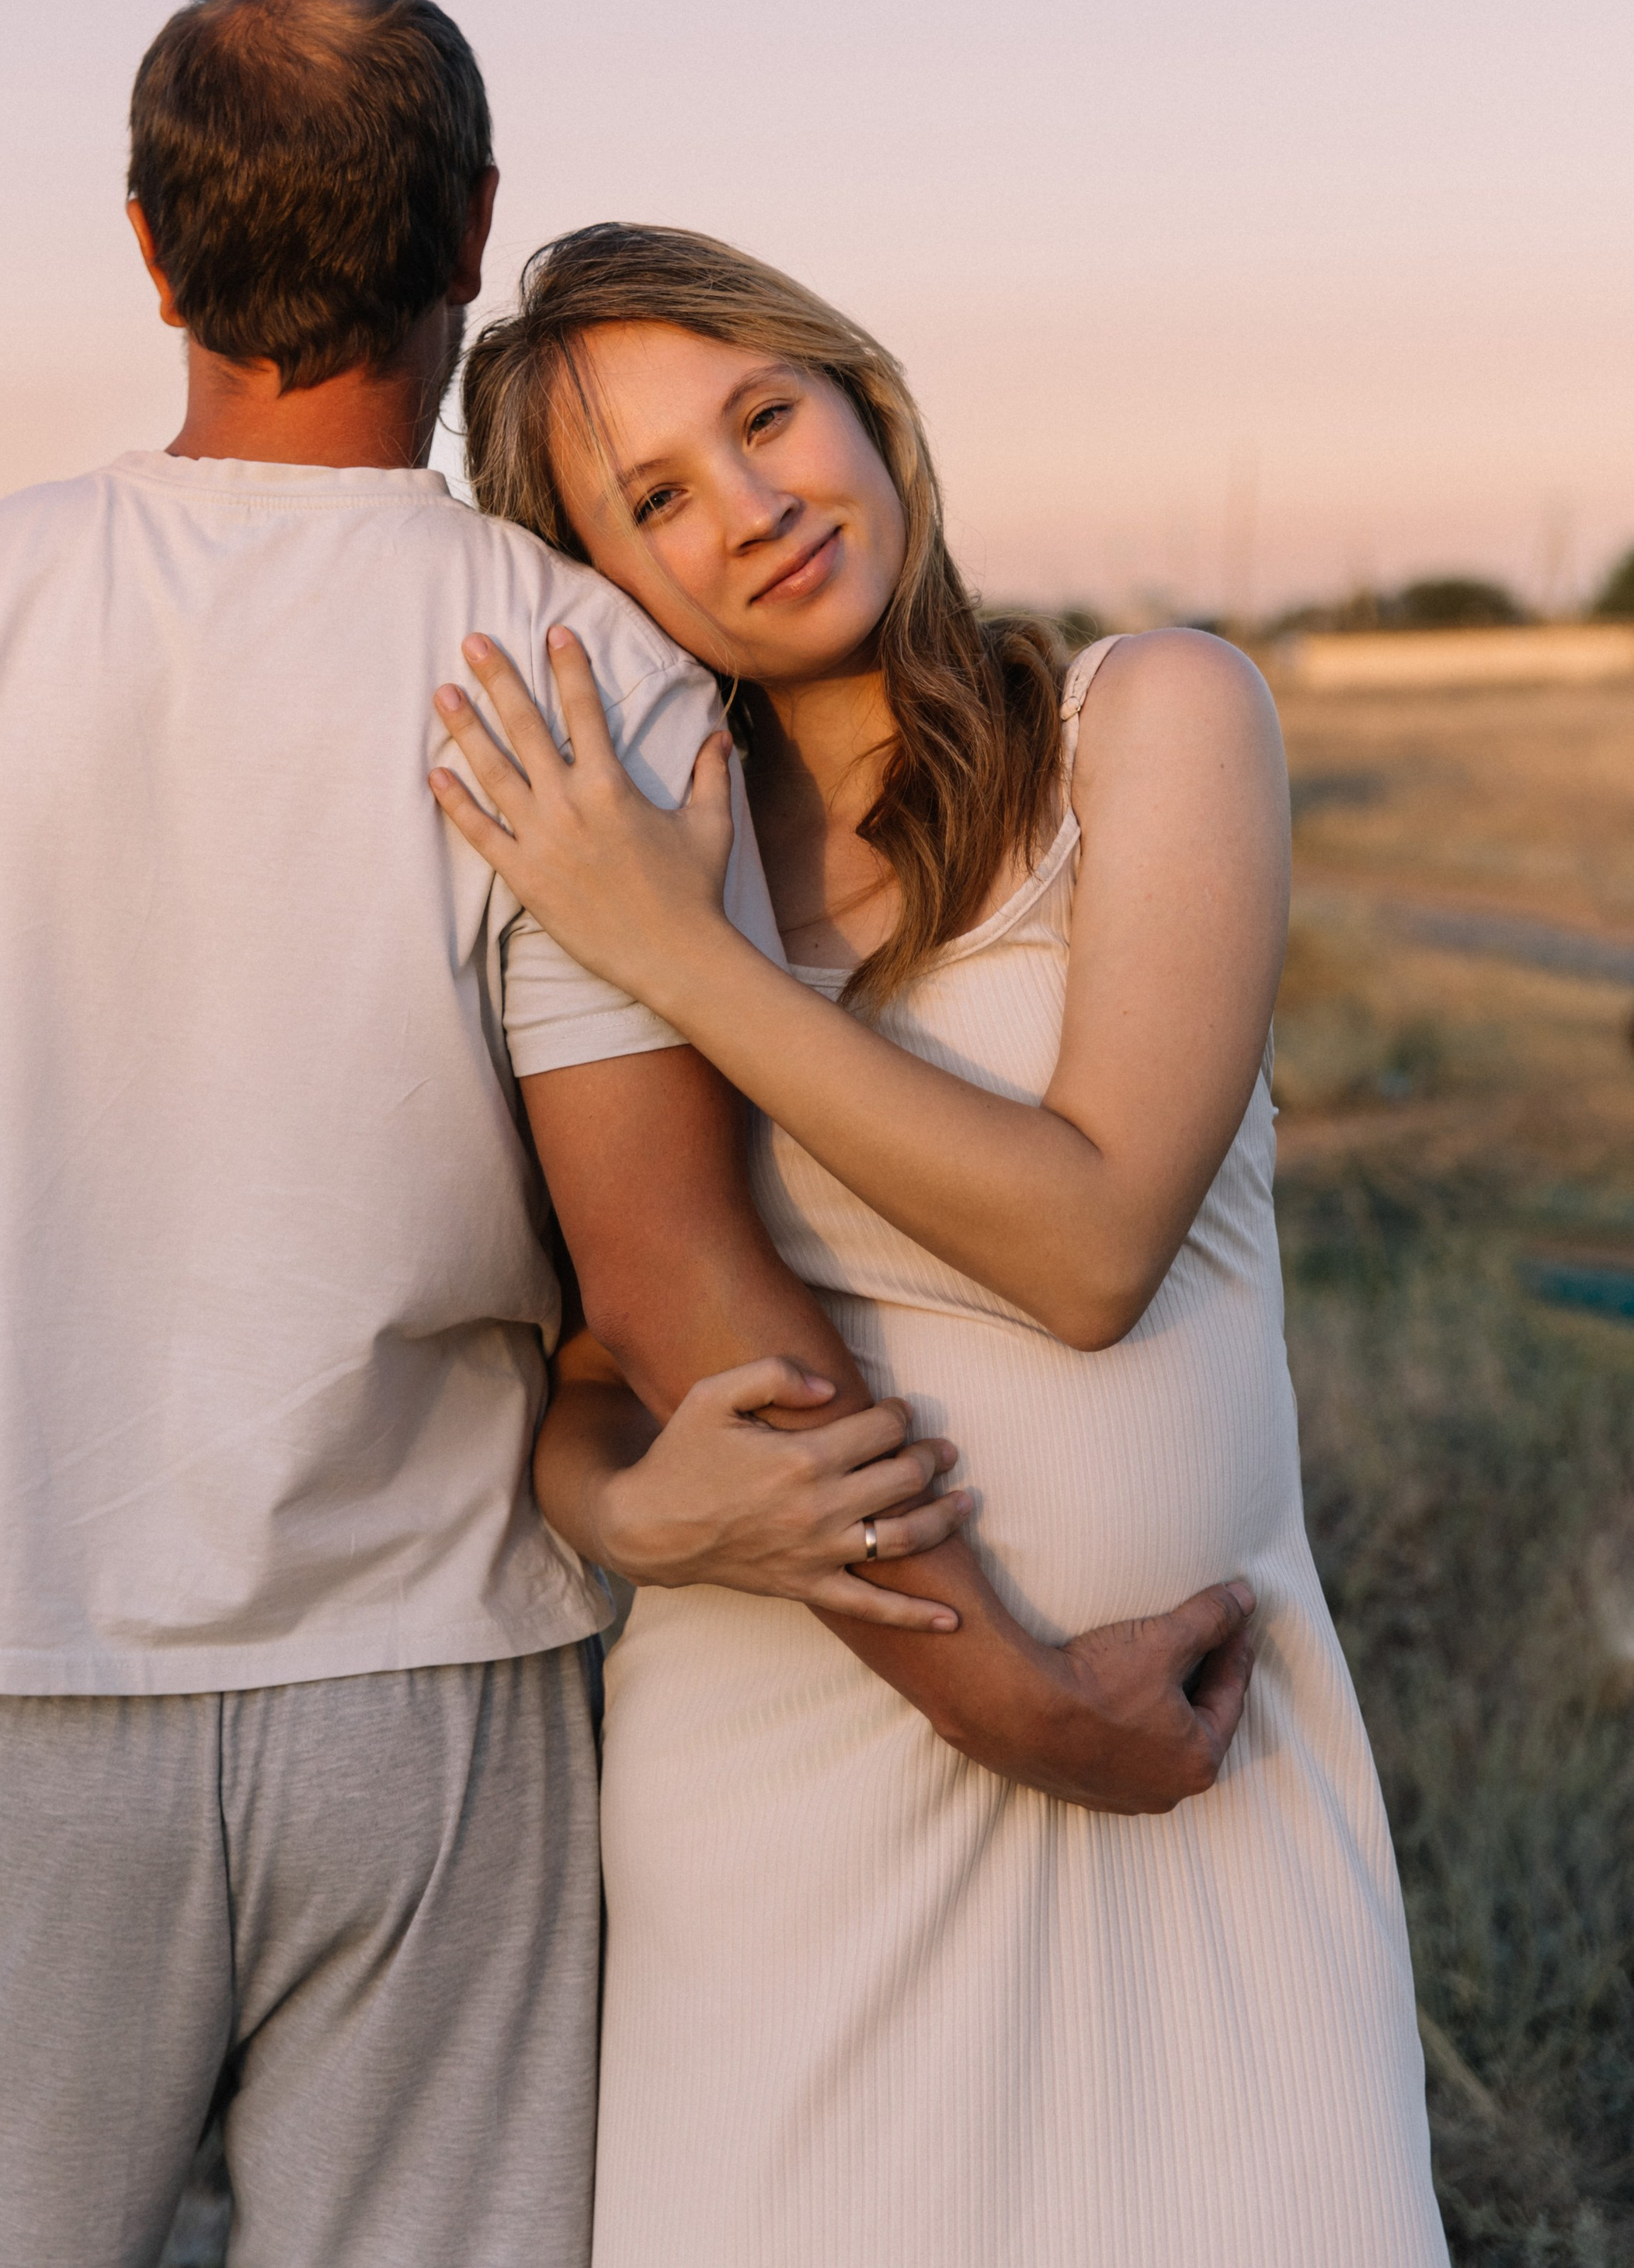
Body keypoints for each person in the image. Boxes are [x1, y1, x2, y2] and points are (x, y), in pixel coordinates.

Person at [0, 0, 1251, 2268]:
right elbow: (668, 1285)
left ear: (149, 247)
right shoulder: (572, 660)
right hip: (439, 1710)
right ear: (477, 227)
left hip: (18, 1674)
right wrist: (1005, 1687)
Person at [433, 221, 1450, 2268]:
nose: (752, 507)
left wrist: (673, 956)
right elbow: (584, 1383)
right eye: (654, 496)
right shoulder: (648, 862)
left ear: (862, 397)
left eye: (763, 413)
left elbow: (1093, 1245)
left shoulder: (1147, 720)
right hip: (783, 1789)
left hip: (1199, 1758)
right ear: (595, 576)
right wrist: (638, 1523)